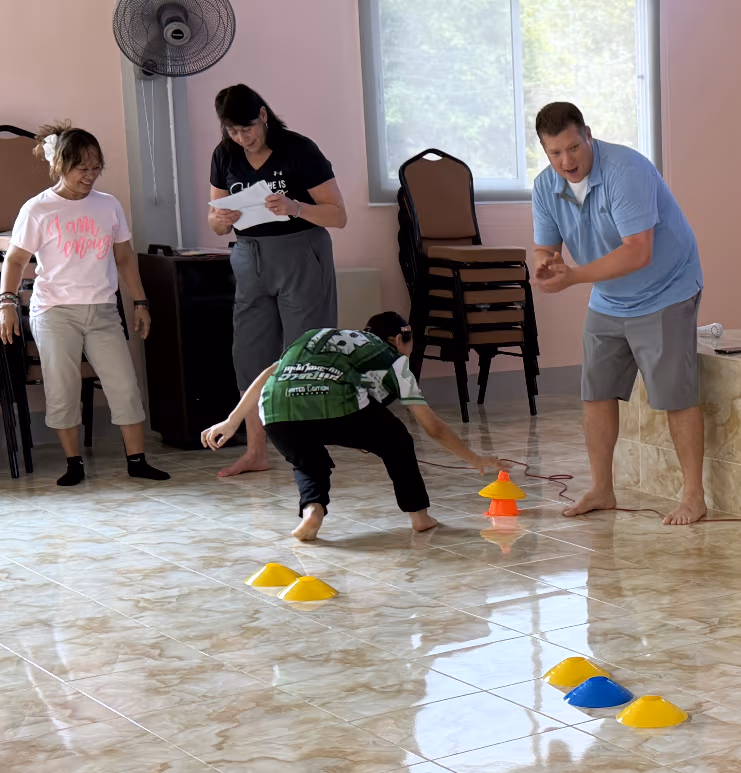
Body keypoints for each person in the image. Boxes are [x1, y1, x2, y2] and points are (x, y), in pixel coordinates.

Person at [529, 101, 706, 525]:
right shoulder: (545, 186)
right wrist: (545, 264)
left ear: (588, 135)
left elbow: (638, 252)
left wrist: (573, 277)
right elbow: (545, 247)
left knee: (674, 396)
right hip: (608, 297)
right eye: (555, 153)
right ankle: (601, 489)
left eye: (573, 147)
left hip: (666, 289)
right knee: (596, 392)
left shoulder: (626, 170)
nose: (567, 161)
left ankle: (694, 497)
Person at [201, 312, 501, 541]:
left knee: (308, 463)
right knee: (397, 441)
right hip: (337, 405)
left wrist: (232, 420)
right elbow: (432, 426)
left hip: (277, 410)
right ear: (399, 339)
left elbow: (270, 372)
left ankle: (312, 510)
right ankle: (419, 517)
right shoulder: (393, 359)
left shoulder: (317, 336)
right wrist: (474, 458)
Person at [0, 122, 169, 486]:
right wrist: (7, 304)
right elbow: (14, 260)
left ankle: (137, 460)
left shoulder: (108, 206)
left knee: (124, 385)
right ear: (60, 165)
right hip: (54, 312)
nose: (90, 175)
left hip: (102, 310)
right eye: (82, 168)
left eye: (96, 168)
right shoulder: (38, 209)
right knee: (62, 389)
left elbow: (124, 258)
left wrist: (141, 301)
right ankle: (73, 463)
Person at [207, 84, 346, 479]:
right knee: (250, 355)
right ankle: (256, 451)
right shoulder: (224, 154)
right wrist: (220, 220)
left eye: (247, 128)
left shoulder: (299, 150)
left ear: (263, 115)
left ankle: (309, 451)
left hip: (301, 254)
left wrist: (295, 207)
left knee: (304, 355)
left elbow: (338, 215)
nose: (241, 138)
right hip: (250, 258)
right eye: (232, 131)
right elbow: (214, 223)